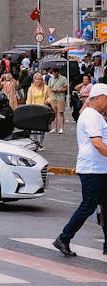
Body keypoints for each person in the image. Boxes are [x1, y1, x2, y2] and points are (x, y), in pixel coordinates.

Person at [53, 83, 107, 258]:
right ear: (98, 98)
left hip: (99, 168)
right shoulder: (92, 116)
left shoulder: (92, 114)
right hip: (93, 169)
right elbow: (97, 143)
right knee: (88, 205)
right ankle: (64, 237)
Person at [48, 67, 69, 133]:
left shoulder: (63, 78)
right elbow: (49, 88)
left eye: (55, 74)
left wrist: (59, 90)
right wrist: (51, 90)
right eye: (53, 74)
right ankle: (55, 128)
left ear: (58, 73)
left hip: (60, 98)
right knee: (54, 114)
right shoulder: (51, 79)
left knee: (61, 113)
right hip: (53, 98)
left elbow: (66, 88)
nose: (54, 75)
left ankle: (62, 128)